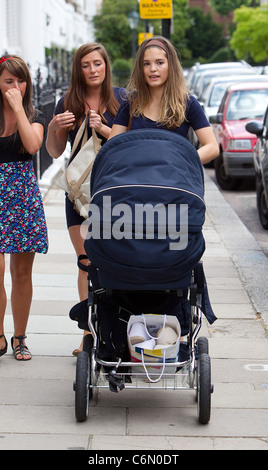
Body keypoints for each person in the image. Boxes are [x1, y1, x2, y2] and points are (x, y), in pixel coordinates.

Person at [46, 43, 126, 356]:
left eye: (97, 64)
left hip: (116, 193)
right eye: (85, 65)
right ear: (78, 69)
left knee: (117, 263)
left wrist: (103, 128)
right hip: (80, 196)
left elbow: (131, 142)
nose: (92, 70)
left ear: (106, 65)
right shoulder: (68, 102)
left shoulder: (122, 99)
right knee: (86, 264)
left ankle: (117, 328)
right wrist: (54, 127)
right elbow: (54, 151)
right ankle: (88, 333)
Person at [0, 55, 48, 361]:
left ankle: (19, 337)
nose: (15, 86)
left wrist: (18, 108)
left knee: (20, 273)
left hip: (21, 197)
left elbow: (32, 146)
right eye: (8, 81)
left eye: (20, 80)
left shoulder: (35, 114)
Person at [108, 36, 219, 165]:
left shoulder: (188, 103)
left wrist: (181, 163)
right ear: (140, 68)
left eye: (159, 62)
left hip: (173, 181)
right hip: (138, 180)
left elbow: (212, 147)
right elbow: (112, 146)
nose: (153, 69)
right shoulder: (130, 102)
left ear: (170, 65)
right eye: (146, 64)